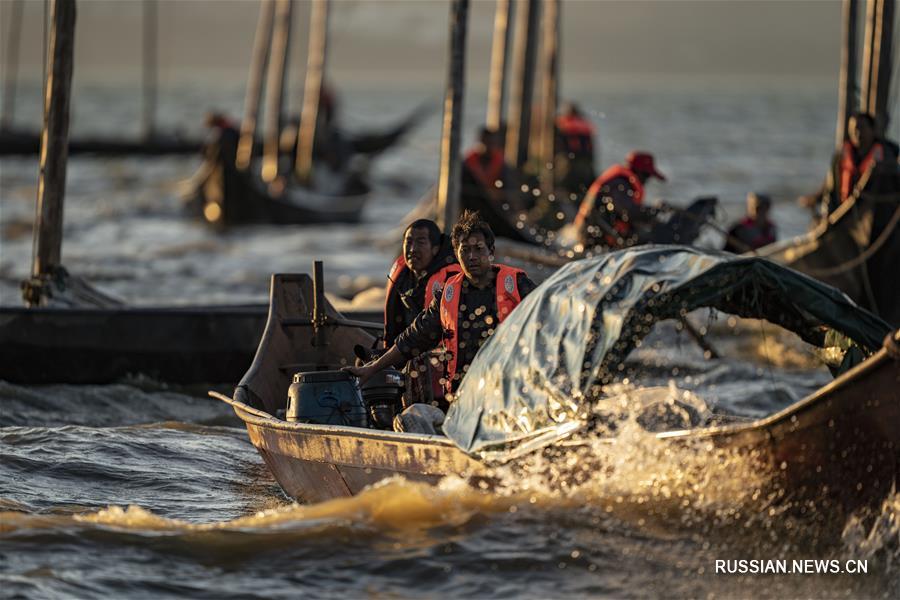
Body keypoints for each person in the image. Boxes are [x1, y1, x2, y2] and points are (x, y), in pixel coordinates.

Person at [348, 210, 536, 407]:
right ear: (456, 254)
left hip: (511, 391)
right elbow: (413, 338)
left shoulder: (516, 284)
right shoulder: (448, 294)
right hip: (463, 396)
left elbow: (549, 321)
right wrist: (373, 368)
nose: (471, 257)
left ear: (491, 252)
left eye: (478, 249)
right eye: (465, 250)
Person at [800, 112, 899, 218]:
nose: (858, 133)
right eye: (854, 129)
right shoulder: (841, 156)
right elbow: (830, 186)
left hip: (878, 213)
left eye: (862, 128)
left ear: (872, 130)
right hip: (845, 213)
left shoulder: (888, 154)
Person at [572, 150, 667, 250]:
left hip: (597, 238)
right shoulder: (618, 184)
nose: (646, 181)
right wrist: (654, 211)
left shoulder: (621, 182)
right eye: (647, 176)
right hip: (591, 241)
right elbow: (628, 211)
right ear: (639, 172)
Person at [555, 101, 597, 197]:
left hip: (569, 165)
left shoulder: (562, 123)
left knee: (561, 189)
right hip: (587, 165)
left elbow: (559, 146)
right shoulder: (586, 125)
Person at [461, 126, 510, 207]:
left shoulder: (502, 164)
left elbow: (507, 188)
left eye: (491, 142)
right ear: (479, 141)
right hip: (471, 203)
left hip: (493, 206)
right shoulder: (467, 163)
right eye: (485, 142)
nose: (487, 146)